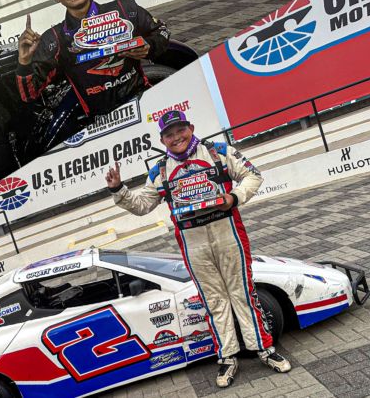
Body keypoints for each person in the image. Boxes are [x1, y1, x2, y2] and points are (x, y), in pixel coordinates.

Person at [104, 110, 291, 388]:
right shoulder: (161, 170)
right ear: (162, 139)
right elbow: (142, 205)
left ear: (191, 127)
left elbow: (253, 175)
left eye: (180, 130)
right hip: (193, 244)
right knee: (214, 300)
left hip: (227, 233)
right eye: (169, 134)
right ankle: (227, 357)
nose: (176, 137)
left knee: (242, 293)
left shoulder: (218, 151)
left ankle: (263, 349)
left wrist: (233, 197)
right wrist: (118, 189)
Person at [16, 0, 170, 118]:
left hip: (144, 101)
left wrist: (150, 45)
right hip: (101, 122)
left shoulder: (125, 9)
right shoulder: (54, 38)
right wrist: (24, 62)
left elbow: (162, 31)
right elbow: (29, 94)